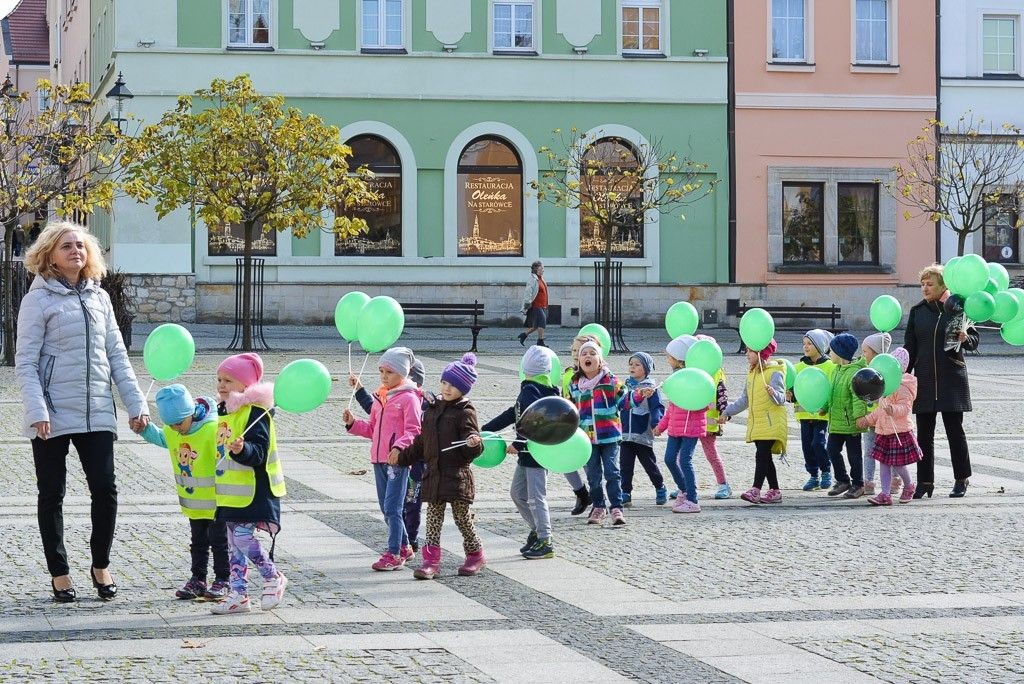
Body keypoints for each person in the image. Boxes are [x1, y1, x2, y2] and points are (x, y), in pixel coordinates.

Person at [15, 221, 149, 603]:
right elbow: (25, 361)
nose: (76, 251)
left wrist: (136, 405)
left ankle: (100, 565)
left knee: (105, 489)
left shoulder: (99, 298)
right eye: (66, 246)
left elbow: (118, 357)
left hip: (96, 411)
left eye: (80, 245)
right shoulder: (37, 300)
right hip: (52, 413)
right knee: (51, 494)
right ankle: (59, 573)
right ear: (50, 257)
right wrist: (36, 409)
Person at [392, 354, 486, 578]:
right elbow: (422, 443)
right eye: (444, 382)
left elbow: (472, 443)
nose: (447, 388)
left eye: (453, 385)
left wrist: (474, 443)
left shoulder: (465, 411)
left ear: (463, 388)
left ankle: (475, 554)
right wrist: (403, 457)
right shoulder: (433, 409)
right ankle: (430, 561)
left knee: (462, 519)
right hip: (434, 475)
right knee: (433, 520)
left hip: (456, 477)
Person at [210, 353, 288, 614]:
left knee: (243, 538)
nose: (222, 385)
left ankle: (272, 575)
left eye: (228, 380)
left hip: (254, 491)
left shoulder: (256, 412)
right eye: (219, 379)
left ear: (245, 385)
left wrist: (242, 449)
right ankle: (239, 594)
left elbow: (259, 452)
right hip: (230, 492)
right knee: (234, 544)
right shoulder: (224, 411)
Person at [140, 385, 230, 600]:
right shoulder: (173, 430)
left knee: (219, 541)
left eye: (179, 423)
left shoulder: (211, 429)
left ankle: (223, 579)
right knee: (198, 541)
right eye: (171, 424)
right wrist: (145, 430)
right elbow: (164, 439)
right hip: (195, 502)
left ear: (191, 413)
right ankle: (198, 579)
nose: (176, 428)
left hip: (218, 500)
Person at [344, 347, 422, 570]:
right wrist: (352, 424)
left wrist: (399, 447)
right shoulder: (380, 398)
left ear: (403, 374)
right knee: (385, 507)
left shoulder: (409, 398)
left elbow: (414, 430)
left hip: (397, 461)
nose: (384, 376)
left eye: (389, 372)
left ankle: (394, 553)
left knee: (392, 508)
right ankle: (405, 546)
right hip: (378, 460)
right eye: (381, 371)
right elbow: (372, 429)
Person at [904, 264, 979, 498]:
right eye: (922, 284)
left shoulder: (957, 309)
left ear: (943, 286)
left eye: (930, 284)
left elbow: (975, 340)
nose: (925, 288)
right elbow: (910, 347)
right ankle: (925, 482)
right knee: (923, 435)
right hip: (925, 378)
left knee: (954, 431)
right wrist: (903, 376)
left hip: (951, 379)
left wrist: (966, 339)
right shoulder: (917, 312)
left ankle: (961, 479)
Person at [482, 346, 560, 559]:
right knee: (518, 494)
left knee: (536, 497)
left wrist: (518, 443)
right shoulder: (537, 389)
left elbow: (535, 420)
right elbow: (513, 413)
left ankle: (546, 540)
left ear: (525, 367)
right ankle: (537, 531)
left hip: (535, 452)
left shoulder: (531, 390)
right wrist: (486, 429)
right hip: (529, 454)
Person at [568, 341, 651, 526]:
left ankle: (616, 507)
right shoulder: (574, 384)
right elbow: (570, 410)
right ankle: (598, 506)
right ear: (579, 360)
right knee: (593, 476)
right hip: (586, 439)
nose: (588, 357)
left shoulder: (610, 381)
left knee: (612, 472)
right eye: (584, 354)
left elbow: (625, 400)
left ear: (600, 359)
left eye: (592, 353)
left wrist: (639, 395)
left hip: (610, 436)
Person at [722, 340, 788, 504]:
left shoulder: (774, 373)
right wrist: (727, 412)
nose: (746, 354)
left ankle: (755, 489)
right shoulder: (752, 373)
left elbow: (781, 399)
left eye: (749, 351)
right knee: (765, 457)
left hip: (771, 422)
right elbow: (744, 400)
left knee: (761, 455)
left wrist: (773, 392)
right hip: (758, 423)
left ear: (760, 353)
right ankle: (775, 490)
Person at [857, 347, 920, 505]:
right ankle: (885, 494)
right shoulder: (884, 386)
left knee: (898, 464)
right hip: (883, 431)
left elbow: (906, 407)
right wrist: (868, 419)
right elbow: (880, 410)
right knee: (883, 462)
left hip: (899, 431)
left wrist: (893, 409)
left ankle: (909, 485)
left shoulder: (903, 386)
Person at [654, 336, 709, 513]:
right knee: (669, 459)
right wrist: (661, 426)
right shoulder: (675, 378)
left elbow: (705, 402)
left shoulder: (697, 378)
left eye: (669, 356)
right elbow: (672, 408)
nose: (667, 359)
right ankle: (684, 490)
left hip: (692, 428)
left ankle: (693, 499)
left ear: (679, 359)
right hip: (676, 428)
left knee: (685, 460)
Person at [824, 333, 869, 499]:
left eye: (832, 351)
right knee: (831, 450)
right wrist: (824, 407)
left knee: (854, 455)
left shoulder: (854, 374)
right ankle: (842, 480)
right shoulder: (835, 371)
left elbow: (858, 398)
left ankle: (858, 484)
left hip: (851, 423)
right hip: (836, 422)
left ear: (841, 354)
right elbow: (830, 393)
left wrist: (859, 418)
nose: (829, 353)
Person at [619, 352, 667, 507]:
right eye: (631, 364)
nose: (632, 367)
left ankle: (660, 486)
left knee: (649, 465)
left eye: (637, 364)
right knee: (625, 465)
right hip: (625, 434)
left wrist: (656, 423)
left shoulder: (651, 388)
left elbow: (657, 407)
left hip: (642, 434)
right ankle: (625, 493)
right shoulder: (625, 386)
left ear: (646, 369)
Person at [789, 329, 834, 492]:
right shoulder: (798, 367)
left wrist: (826, 405)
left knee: (818, 443)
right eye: (804, 344)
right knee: (807, 446)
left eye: (809, 343)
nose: (805, 347)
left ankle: (826, 471)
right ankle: (813, 475)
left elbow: (831, 388)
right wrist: (790, 395)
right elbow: (793, 389)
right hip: (803, 414)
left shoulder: (830, 366)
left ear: (819, 346)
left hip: (822, 414)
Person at [860, 332, 900, 496]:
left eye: (865, 352)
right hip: (870, 419)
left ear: (876, 353)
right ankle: (868, 481)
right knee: (869, 451)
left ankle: (895, 479)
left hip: (886, 421)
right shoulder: (864, 370)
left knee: (890, 452)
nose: (863, 355)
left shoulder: (888, 371)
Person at [695, 334, 733, 500]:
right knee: (683, 456)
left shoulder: (717, 373)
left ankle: (723, 484)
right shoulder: (692, 369)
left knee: (711, 455)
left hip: (710, 423)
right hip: (690, 421)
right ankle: (683, 486)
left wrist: (725, 414)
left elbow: (722, 396)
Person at [560, 334, 594, 515]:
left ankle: (597, 499)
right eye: (573, 350)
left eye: (579, 350)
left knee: (590, 466)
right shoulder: (568, 374)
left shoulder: (596, 375)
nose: (575, 354)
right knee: (565, 461)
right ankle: (581, 493)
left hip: (589, 427)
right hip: (570, 426)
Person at [518, 260, 548, 348]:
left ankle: (523, 335)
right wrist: (527, 303)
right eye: (541, 268)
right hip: (536, 305)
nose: (543, 270)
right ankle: (540, 342)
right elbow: (528, 292)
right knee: (542, 323)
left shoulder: (541, 279)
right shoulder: (533, 279)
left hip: (542, 306)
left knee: (535, 326)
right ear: (536, 269)